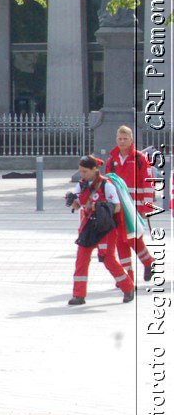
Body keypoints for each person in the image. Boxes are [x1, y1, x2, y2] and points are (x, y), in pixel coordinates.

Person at [66, 155, 135, 305]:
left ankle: (128, 287)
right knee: (81, 259)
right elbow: (78, 205)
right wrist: (72, 201)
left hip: (105, 229)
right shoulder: (81, 185)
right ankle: (78, 295)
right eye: (80, 171)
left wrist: (101, 207)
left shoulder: (106, 185)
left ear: (94, 169)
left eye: (85, 171)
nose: (82, 175)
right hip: (88, 228)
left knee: (108, 259)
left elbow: (116, 207)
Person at [106, 124, 158, 279]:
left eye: (125, 138)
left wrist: (147, 209)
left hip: (135, 207)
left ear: (131, 140)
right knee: (120, 241)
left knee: (134, 239)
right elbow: (108, 185)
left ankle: (148, 262)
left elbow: (148, 184)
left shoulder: (140, 159)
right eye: (119, 138)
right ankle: (128, 275)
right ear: (116, 139)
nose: (122, 142)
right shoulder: (112, 161)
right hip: (118, 208)